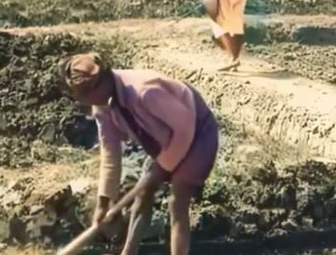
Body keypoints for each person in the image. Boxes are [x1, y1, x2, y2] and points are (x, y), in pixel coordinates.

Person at [58, 53, 219, 255]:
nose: (84, 101)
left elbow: (184, 128)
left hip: (198, 131)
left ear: (100, 83)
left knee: (177, 201)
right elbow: (110, 153)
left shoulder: (145, 91)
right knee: (142, 194)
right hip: (163, 140)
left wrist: (162, 167)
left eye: (84, 95)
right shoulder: (102, 106)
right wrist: (104, 202)